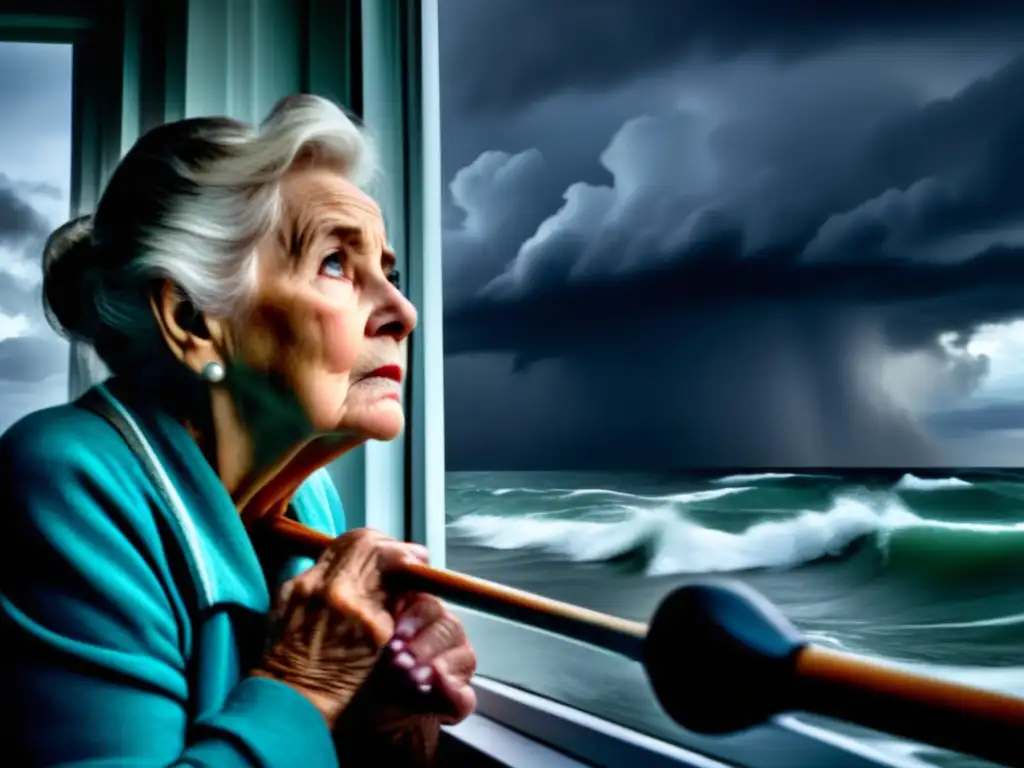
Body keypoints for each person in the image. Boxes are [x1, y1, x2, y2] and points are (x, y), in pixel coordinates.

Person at [0, 94, 476, 767]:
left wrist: (383, 719)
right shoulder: (63, 478)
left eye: (388, 273)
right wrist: (308, 685)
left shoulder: (311, 502)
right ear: (192, 319)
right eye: (336, 263)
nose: (403, 310)